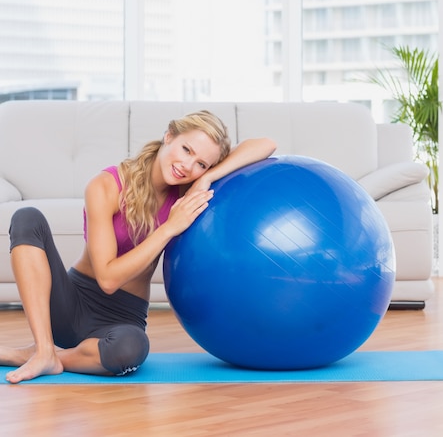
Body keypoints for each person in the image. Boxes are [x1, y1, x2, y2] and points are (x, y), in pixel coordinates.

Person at [0, 109, 276, 384]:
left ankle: (48, 357)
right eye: (186, 149)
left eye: (201, 164)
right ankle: (45, 346)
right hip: (71, 303)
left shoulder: (187, 189)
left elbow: (266, 144)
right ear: (169, 136)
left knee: (131, 350)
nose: (188, 166)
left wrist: (206, 178)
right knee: (26, 217)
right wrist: (169, 227)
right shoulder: (106, 186)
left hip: (122, 318)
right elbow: (107, 279)